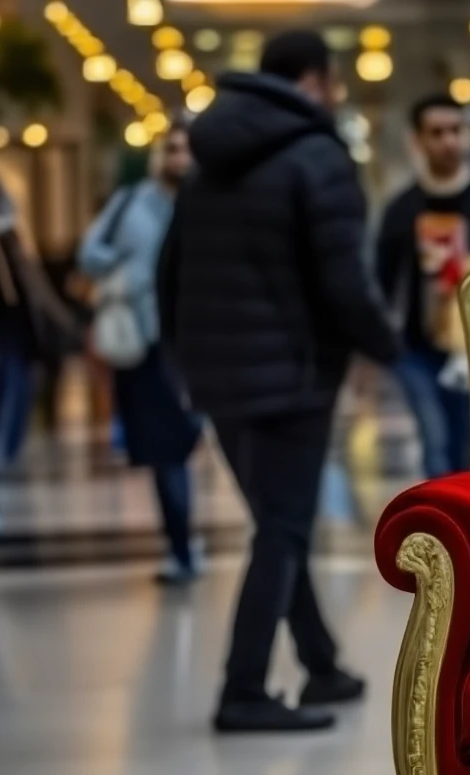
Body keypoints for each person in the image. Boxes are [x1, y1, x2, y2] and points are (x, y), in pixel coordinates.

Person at [159, 30, 399, 733]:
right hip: (293, 373)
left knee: (277, 524)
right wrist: (387, 347)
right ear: (319, 80)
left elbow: (169, 274)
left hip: (218, 374)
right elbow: (344, 281)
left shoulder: (205, 162)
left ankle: (320, 664)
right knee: (286, 527)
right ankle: (243, 689)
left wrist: (188, 360)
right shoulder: (319, 156)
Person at [376, 95, 470, 479]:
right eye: (437, 132)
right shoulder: (402, 209)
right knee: (435, 445)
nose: (448, 141)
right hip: (418, 348)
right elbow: (381, 280)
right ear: (419, 140)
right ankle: (443, 533)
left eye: (456, 130)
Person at [78, 121, 202, 585]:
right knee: (162, 448)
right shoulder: (131, 202)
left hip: (196, 341)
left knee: (185, 440)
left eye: (187, 150)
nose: (179, 159)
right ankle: (181, 545)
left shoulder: (208, 204)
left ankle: (187, 541)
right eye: (171, 149)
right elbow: (89, 252)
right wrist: (128, 273)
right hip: (145, 343)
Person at [0, 172, 74, 576]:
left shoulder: (12, 240)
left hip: (16, 349)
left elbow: (35, 292)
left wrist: (66, 327)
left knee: (5, 419)